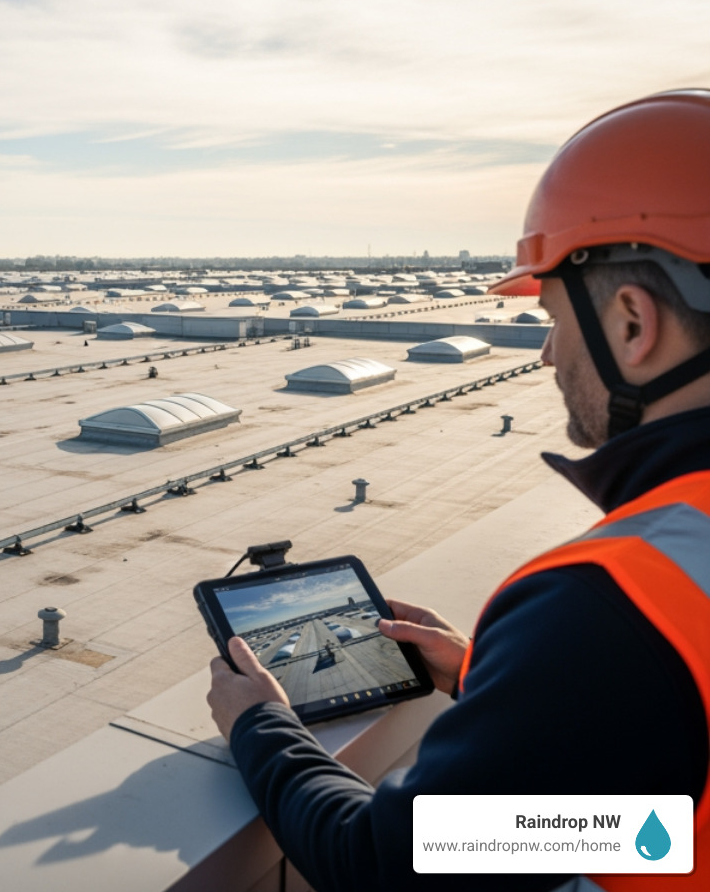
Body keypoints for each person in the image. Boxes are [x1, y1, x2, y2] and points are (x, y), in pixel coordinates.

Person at [206, 90, 710, 891]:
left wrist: (259, 725)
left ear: (631, 322)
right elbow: (645, 801)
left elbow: (387, 864)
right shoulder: (634, 626)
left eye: (554, 317)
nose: (547, 354)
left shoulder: (609, 603)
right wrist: (498, 684)